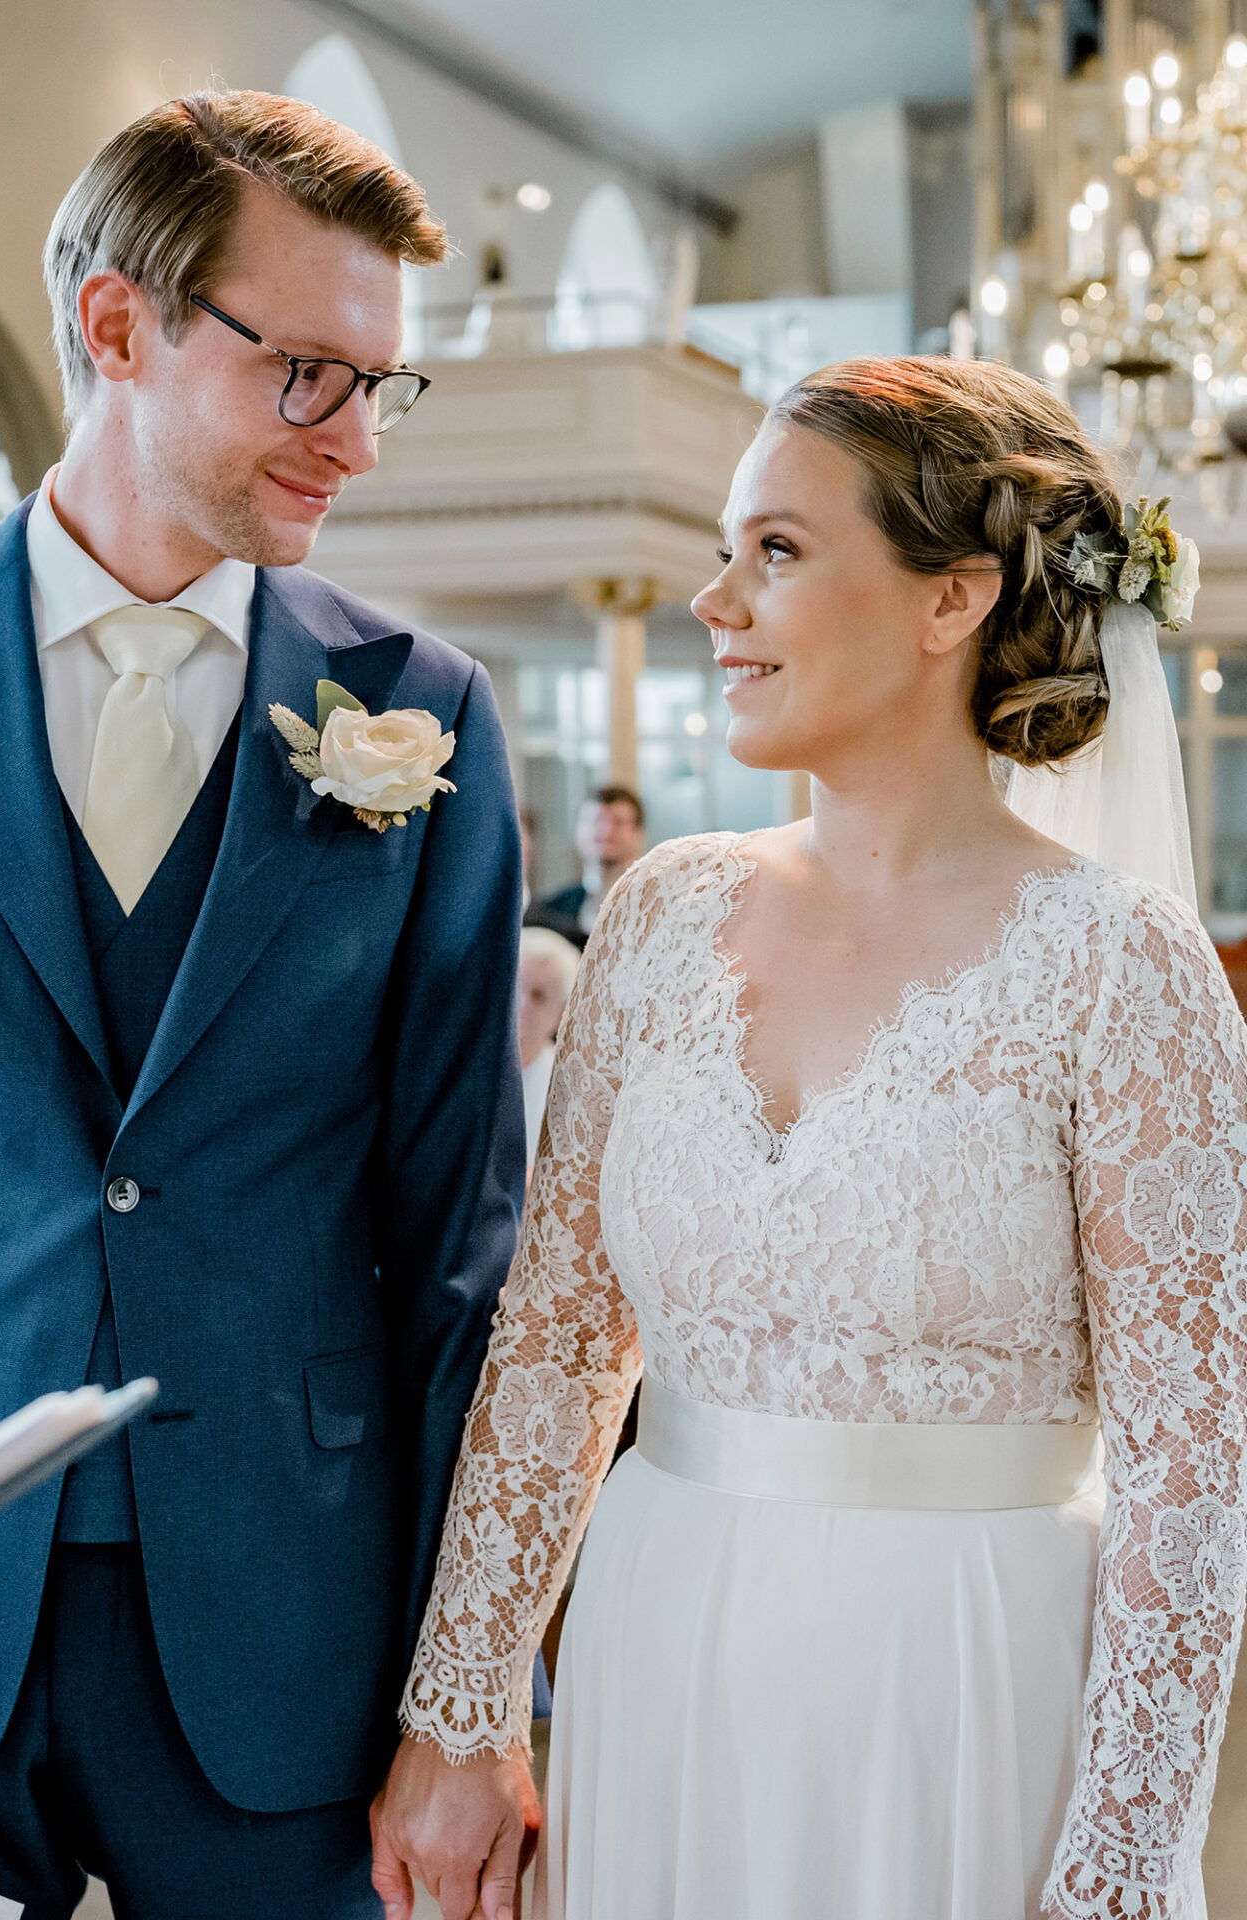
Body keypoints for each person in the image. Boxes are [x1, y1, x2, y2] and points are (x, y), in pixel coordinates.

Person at [372, 357, 1247, 1920]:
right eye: (726, 547)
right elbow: (563, 1344)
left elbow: (1194, 1475)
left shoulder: (1122, 965)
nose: (718, 599)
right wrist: (463, 1706)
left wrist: (1117, 1866)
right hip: (663, 1653)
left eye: (777, 550)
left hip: (970, 1687)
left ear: (950, 601)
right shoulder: (658, 917)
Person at [0, 91, 523, 1920]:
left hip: (300, 1647)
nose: (356, 440)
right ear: (118, 327)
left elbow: (463, 1255)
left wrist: (474, 1701)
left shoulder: (426, 714)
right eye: (308, 374)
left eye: (382, 384)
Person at [525, 787, 645, 948]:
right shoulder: (550, 910)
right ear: (577, 830)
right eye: (595, 821)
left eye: (618, 822)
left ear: (638, 833)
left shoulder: (652, 904)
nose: (606, 831)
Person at [516, 928, 580, 1175]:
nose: (522, 1005)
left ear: (561, 1013)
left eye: (539, 996)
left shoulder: (569, 1086)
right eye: (515, 987)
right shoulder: (462, 1063)